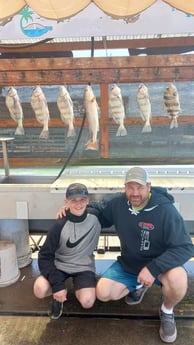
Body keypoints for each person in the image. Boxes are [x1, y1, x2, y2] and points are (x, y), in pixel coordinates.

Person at [57, 167, 194, 343]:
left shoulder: (165, 210)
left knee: (179, 279)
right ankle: (139, 285)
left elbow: (185, 247)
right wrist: (74, 208)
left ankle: (167, 311)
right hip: (130, 264)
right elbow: (98, 211)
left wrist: (153, 268)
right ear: (124, 188)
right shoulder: (118, 203)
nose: (135, 193)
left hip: (160, 266)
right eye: (130, 187)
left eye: (140, 187)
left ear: (149, 187)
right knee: (103, 293)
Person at [33, 182, 105, 320]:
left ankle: (70, 290)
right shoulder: (59, 225)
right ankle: (59, 293)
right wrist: (57, 285)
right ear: (66, 202)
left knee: (87, 302)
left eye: (82, 199)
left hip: (84, 266)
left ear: (88, 200)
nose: (78, 204)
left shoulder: (96, 217)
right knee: (39, 289)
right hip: (60, 265)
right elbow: (44, 256)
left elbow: (115, 205)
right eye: (73, 200)